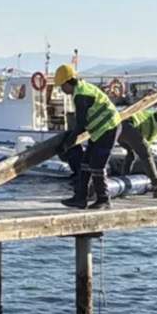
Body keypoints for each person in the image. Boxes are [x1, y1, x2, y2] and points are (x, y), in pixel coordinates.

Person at [54, 65, 121, 209]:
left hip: (109, 129)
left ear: (68, 82)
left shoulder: (81, 95)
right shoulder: (80, 90)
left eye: (61, 86)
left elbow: (81, 124)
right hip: (99, 131)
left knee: (97, 166)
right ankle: (80, 198)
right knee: (85, 164)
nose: (61, 90)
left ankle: (104, 199)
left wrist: (67, 145)